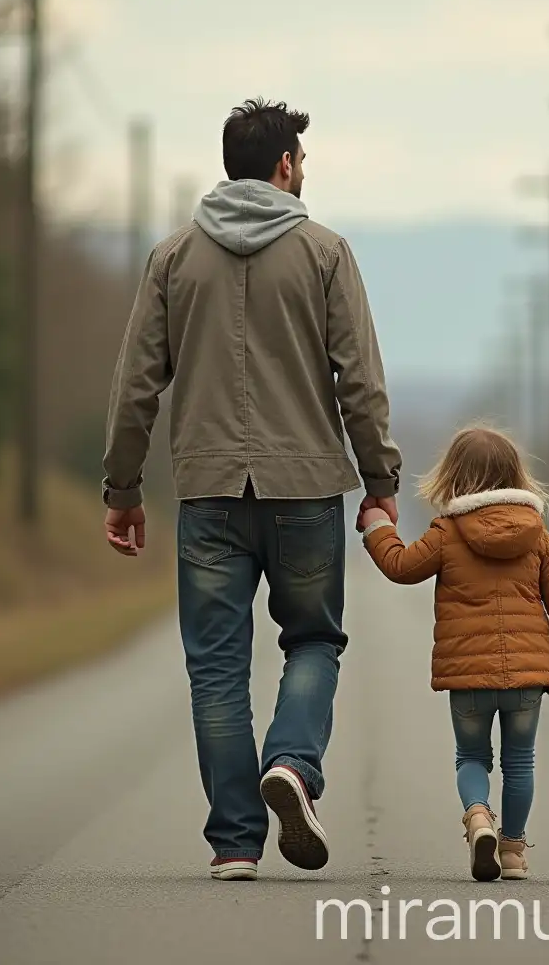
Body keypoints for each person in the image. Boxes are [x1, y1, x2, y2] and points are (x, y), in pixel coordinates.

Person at [101, 98, 401, 881]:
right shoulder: (326, 253)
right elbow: (360, 382)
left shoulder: (172, 259)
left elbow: (136, 386)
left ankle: (234, 842)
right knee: (313, 639)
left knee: (216, 665)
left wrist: (122, 487)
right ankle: (294, 766)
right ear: (285, 166)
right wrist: (380, 481)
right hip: (304, 490)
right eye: (302, 159)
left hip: (205, 493)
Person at [358, 426, 549, 882]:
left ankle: (478, 817)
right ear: (515, 476)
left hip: (468, 678)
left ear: (452, 478)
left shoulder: (447, 532)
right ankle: (512, 851)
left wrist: (377, 527)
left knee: (471, 756)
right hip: (527, 678)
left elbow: (401, 566)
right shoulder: (537, 534)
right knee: (520, 760)